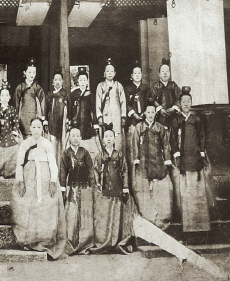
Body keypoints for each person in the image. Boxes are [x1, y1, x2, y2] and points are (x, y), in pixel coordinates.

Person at [11, 118, 67, 260]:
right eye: (34, 127)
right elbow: (19, 164)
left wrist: (53, 181)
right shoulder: (25, 144)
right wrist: (21, 181)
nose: (36, 130)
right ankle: (28, 239)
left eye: (39, 127)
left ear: (42, 129)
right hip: (29, 177)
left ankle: (43, 239)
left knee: (44, 207)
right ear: (30, 128)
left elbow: (53, 163)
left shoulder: (47, 143)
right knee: (28, 206)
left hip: (45, 177)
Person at [169, 86, 214, 232]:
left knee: (198, 191)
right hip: (183, 160)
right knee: (186, 192)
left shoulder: (196, 120)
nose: (186, 104)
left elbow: (202, 137)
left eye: (189, 101)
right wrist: (176, 154)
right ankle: (188, 225)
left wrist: (201, 152)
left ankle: (201, 224)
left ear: (191, 103)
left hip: (196, 158)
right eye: (183, 101)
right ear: (180, 103)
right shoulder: (176, 120)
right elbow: (173, 139)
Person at [128, 100, 173, 230]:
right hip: (143, 160)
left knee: (159, 187)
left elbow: (165, 145)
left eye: (153, 112)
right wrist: (136, 159)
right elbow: (134, 144)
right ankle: (148, 217)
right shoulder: (139, 127)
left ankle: (160, 217)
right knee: (144, 188)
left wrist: (167, 160)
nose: (150, 115)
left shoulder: (159, 128)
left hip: (157, 160)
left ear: (155, 114)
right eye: (148, 112)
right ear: (144, 113)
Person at [91, 125, 130, 254]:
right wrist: (98, 185)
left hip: (117, 189)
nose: (108, 139)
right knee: (105, 216)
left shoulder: (119, 155)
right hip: (104, 190)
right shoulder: (99, 156)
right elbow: (95, 172)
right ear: (102, 140)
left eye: (110, 136)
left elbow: (124, 171)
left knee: (116, 216)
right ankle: (103, 242)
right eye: (106, 136)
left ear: (114, 139)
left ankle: (115, 241)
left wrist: (125, 188)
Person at [60, 127, 95, 255]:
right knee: (71, 215)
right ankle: (70, 243)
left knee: (85, 216)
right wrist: (63, 188)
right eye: (73, 135)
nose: (75, 138)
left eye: (78, 136)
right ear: (69, 137)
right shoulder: (65, 153)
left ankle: (84, 244)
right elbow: (63, 172)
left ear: (81, 138)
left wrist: (92, 186)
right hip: (72, 188)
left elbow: (91, 170)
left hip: (85, 187)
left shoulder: (85, 153)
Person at [96, 59, 127, 153]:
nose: (109, 73)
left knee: (118, 142)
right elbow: (97, 101)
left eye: (111, 71)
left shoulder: (118, 85)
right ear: (104, 73)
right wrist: (99, 116)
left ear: (115, 73)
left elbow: (123, 102)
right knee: (106, 140)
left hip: (116, 117)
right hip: (106, 117)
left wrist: (123, 116)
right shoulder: (100, 86)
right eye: (107, 71)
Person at [69, 67, 100, 161]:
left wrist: (95, 124)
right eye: (80, 80)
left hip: (87, 122)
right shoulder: (73, 94)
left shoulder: (90, 94)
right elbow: (70, 108)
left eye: (84, 80)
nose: (82, 82)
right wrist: (70, 121)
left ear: (87, 81)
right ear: (78, 81)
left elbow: (94, 110)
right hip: (76, 122)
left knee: (88, 144)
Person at [124, 63, 149, 165]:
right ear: (131, 76)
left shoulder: (145, 88)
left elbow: (149, 102)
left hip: (144, 118)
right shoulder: (128, 89)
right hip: (133, 120)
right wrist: (133, 114)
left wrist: (144, 113)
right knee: (133, 145)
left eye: (139, 73)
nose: (137, 75)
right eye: (135, 73)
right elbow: (126, 104)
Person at [14, 58, 46, 137]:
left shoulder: (38, 88)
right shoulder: (20, 87)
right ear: (24, 73)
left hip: (34, 115)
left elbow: (43, 102)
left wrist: (43, 116)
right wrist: (16, 117)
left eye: (34, 72)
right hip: (23, 117)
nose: (32, 74)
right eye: (30, 72)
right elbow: (16, 103)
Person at [149, 58, 181, 129]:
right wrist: (160, 109)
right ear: (159, 74)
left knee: (173, 132)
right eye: (163, 71)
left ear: (170, 73)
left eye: (167, 71)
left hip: (173, 115)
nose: (165, 73)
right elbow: (152, 100)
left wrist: (174, 108)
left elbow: (180, 97)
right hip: (160, 116)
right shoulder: (155, 86)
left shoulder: (173, 85)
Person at [45, 68, 69, 163]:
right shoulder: (49, 95)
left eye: (59, 80)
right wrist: (46, 121)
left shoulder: (65, 94)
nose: (57, 82)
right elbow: (46, 109)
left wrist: (68, 120)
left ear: (62, 81)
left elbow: (70, 108)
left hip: (62, 122)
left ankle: (62, 168)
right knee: (53, 145)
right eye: (55, 80)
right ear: (52, 81)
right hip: (52, 123)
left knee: (63, 145)